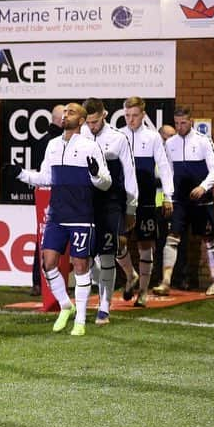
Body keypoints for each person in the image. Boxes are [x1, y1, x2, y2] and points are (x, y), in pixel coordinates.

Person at [9, 103, 111, 336]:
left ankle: (81, 321)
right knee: (48, 263)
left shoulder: (90, 147)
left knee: (80, 265)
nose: (65, 116)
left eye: (71, 112)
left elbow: (106, 183)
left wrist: (95, 174)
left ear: (82, 120)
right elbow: (46, 178)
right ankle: (66, 306)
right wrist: (21, 174)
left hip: (81, 215)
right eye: (64, 112)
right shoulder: (53, 145)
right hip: (57, 215)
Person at [80, 98, 137, 324]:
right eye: (89, 122)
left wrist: (131, 207)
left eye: (95, 121)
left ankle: (104, 307)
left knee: (107, 253)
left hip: (111, 201)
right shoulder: (80, 135)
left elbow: (130, 173)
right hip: (86, 201)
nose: (92, 126)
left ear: (104, 114)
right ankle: (117, 280)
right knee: (85, 256)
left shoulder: (118, 138)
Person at [160, 107, 214, 295]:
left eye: (183, 123)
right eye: (177, 123)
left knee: (208, 239)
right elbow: (167, 172)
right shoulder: (170, 143)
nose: (179, 127)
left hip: (201, 200)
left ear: (191, 121)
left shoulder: (204, 141)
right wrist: (167, 197)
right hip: (179, 199)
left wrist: (203, 187)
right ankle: (165, 281)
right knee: (172, 237)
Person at [120, 97, 174, 306]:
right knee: (117, 243)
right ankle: (130, 274)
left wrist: (168, 196)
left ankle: (142, 292)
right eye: (127, 115)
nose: (130, 119)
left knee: (145, 244)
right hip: (123, 200)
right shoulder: (119, 136)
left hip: (146, 200)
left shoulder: (152, 138)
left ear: (143, 115)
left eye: (134, 115)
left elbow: (165, 167)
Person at [28, 104, 65, 295]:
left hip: (44, 193)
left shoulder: (42, 140)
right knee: (48, 238)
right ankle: (44, 280)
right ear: (59, 120)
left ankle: (38, 281)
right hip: (52, 193)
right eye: (65, 117)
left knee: (43, 238)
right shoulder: (55, 141)